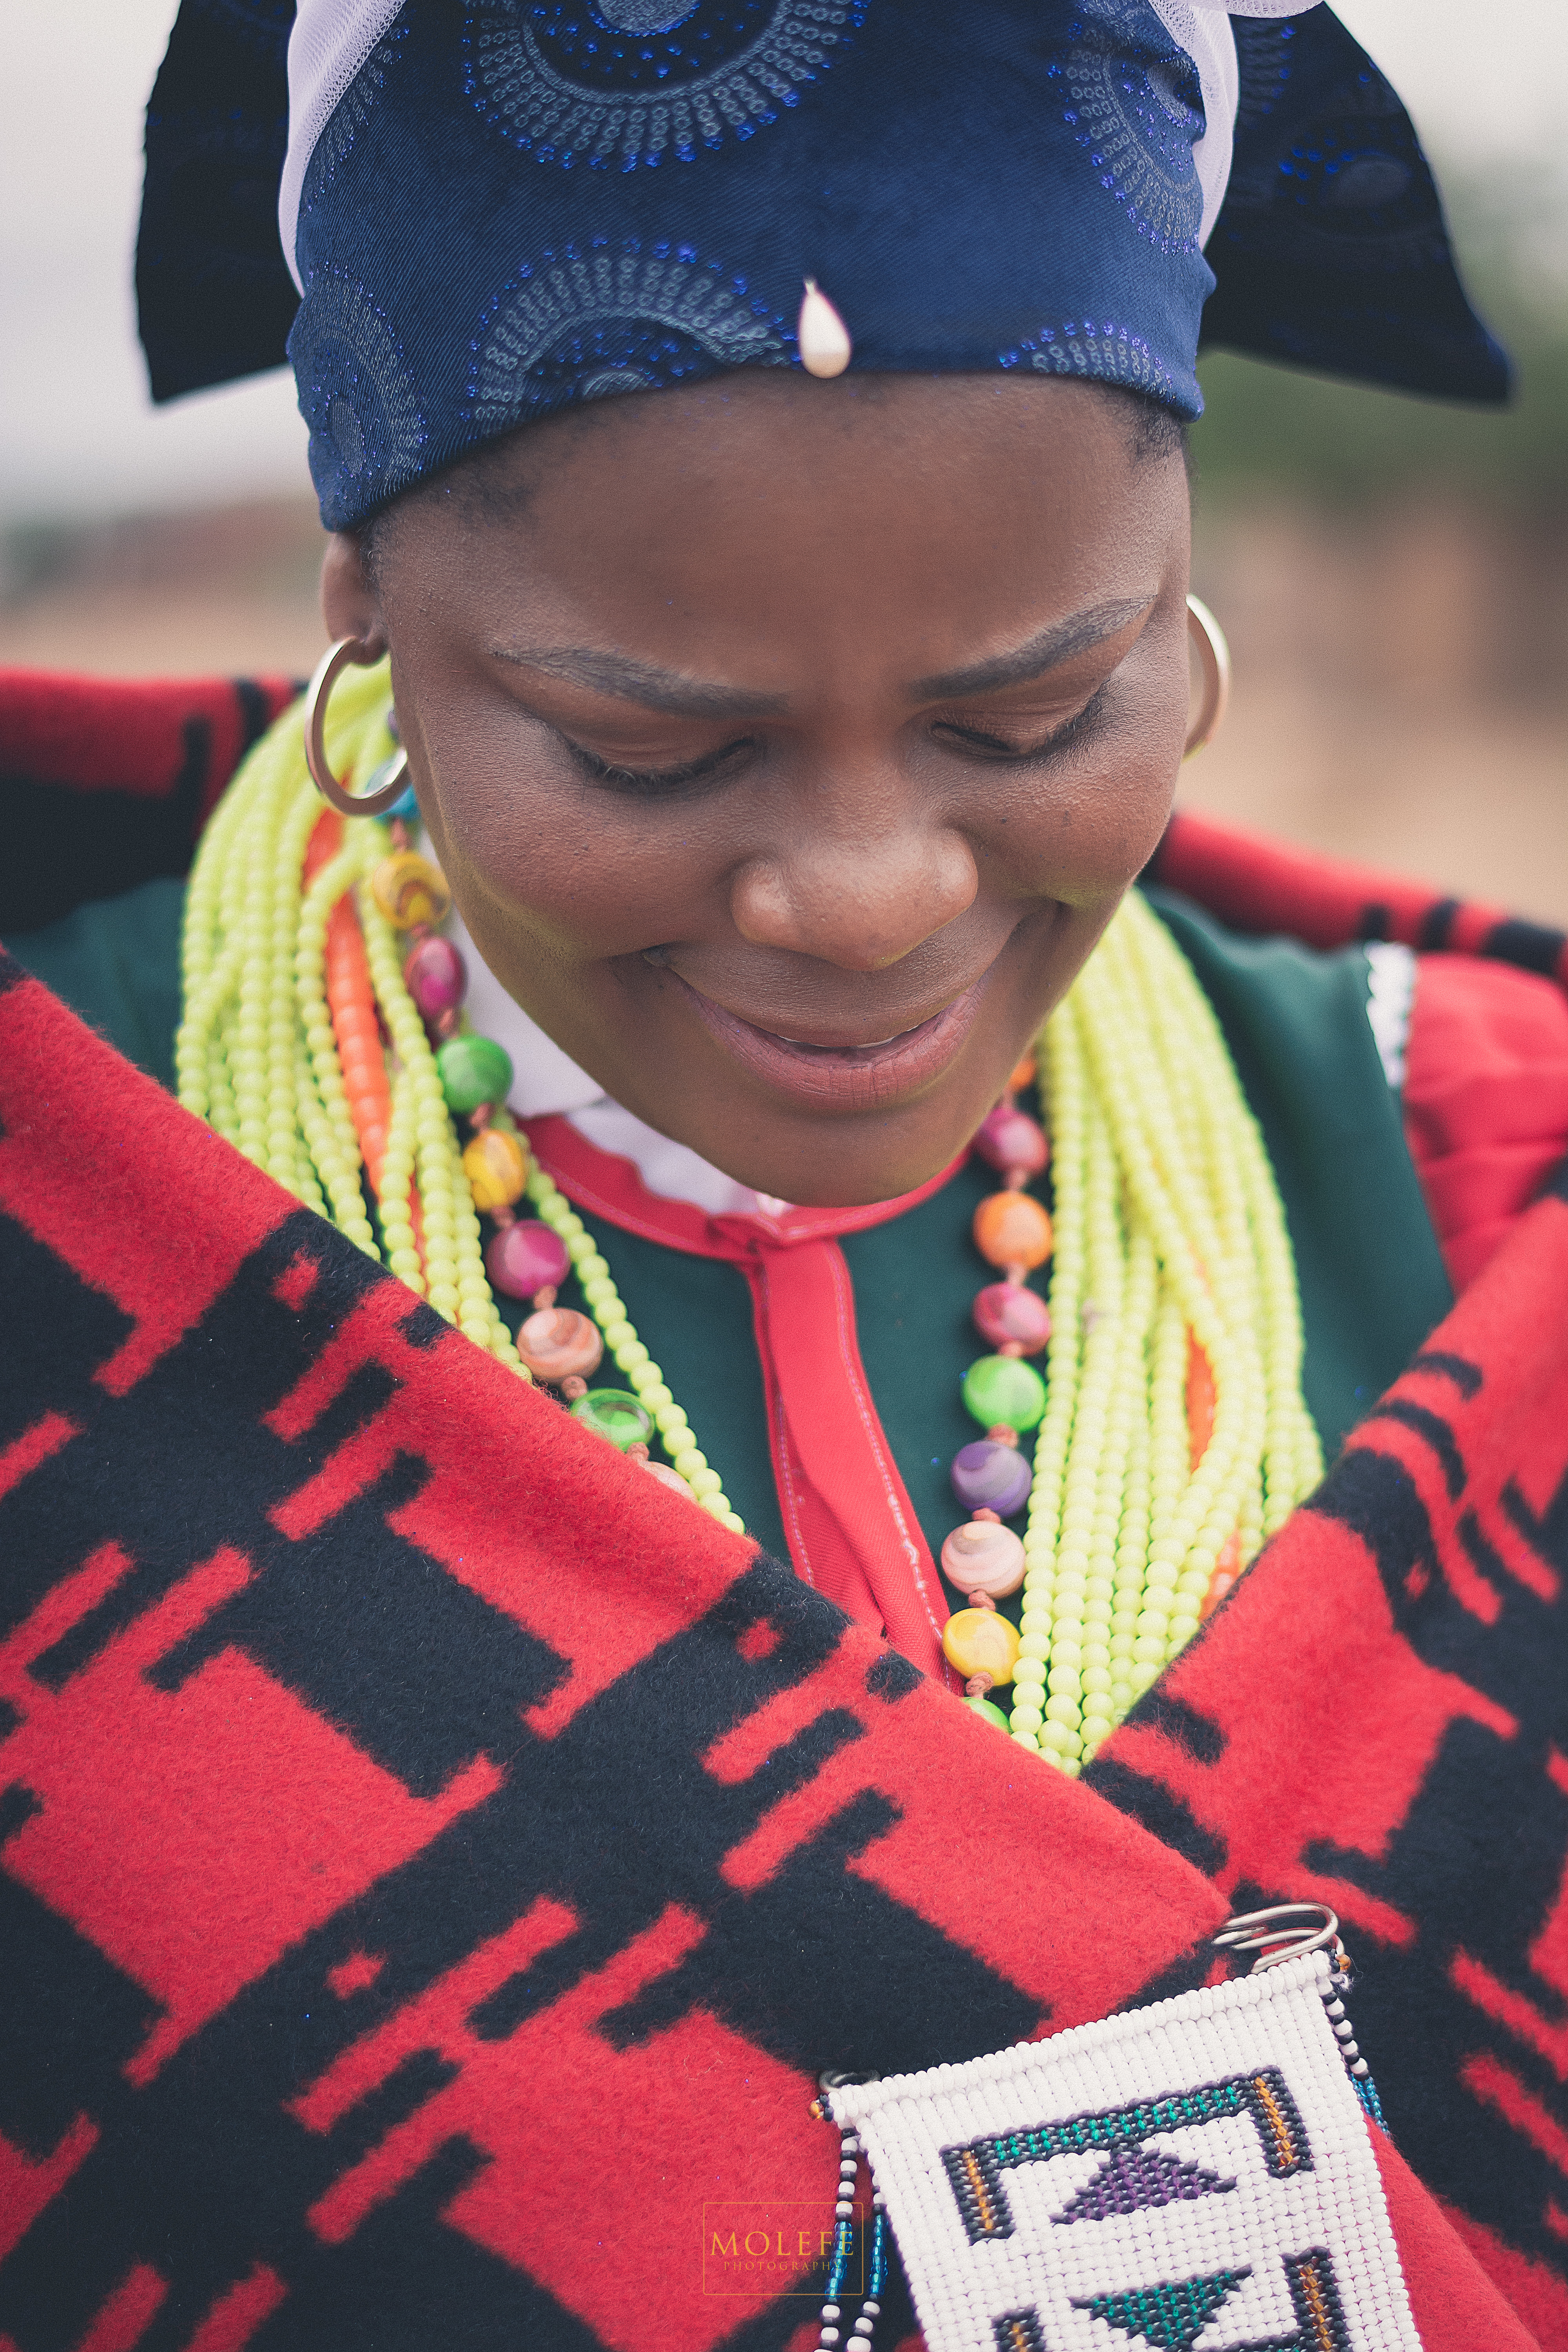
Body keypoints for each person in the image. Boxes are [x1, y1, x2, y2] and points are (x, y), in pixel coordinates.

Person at [2, 4, 1567, 2348]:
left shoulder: (1464, 1184)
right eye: (651, 746)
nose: (865, 899)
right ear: (368, 622)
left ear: (1178, 605)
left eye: (1031, 715)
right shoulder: (78, 1189)